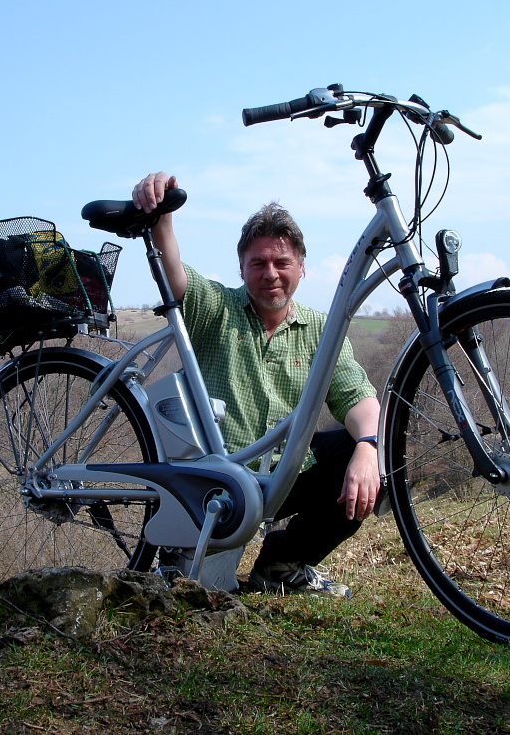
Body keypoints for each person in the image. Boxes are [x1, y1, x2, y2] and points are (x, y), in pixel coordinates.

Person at [133, 172, 381, 597]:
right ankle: (181, 553)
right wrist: (162, 221)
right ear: (242, 268)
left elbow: (358, 398)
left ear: (301, 267)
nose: (271, 274)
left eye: (282, 262)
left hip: (284, 477)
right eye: (258, 263)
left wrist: (368, 448)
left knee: (379, 452)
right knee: (201, 593)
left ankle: (281, 566)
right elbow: (175, 277)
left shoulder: (322, 329)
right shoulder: (218, 309)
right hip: (219, 485)